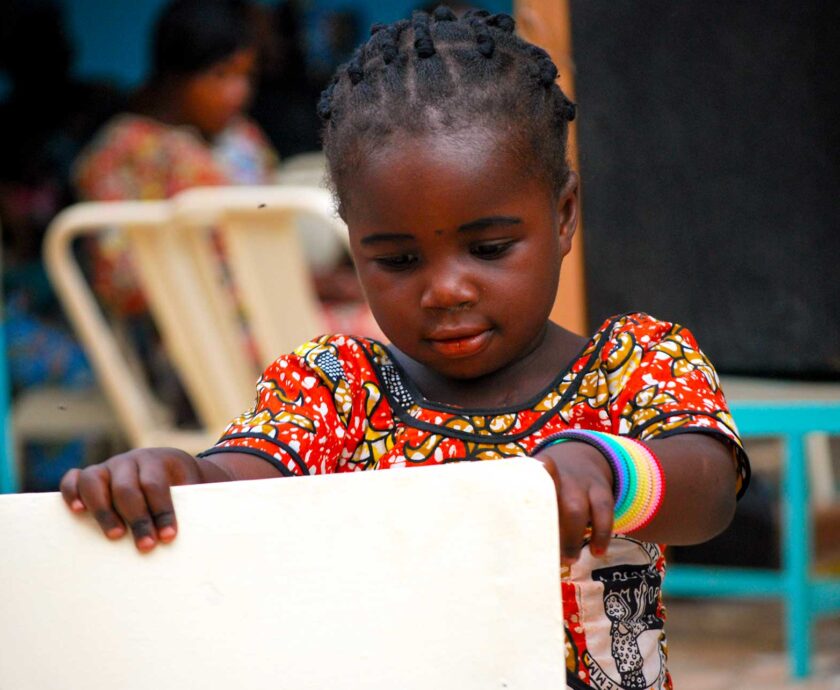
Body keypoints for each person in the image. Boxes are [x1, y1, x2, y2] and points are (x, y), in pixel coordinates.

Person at [60, 8, 750, 690]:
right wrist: (174, 477)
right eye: (396, 259)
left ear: (564, 214)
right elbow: (243, 479)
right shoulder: (337, 386)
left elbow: (710, 488)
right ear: (354, 244)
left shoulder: (633, 364)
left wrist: (603, 468)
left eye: (489, 248)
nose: (445, 289)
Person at [72, 0, 278, 316]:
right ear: (174, 77)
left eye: (246, 76)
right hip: (195, 334)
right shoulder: (123, 152)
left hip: (270, 308)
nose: (238, 92)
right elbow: (121, 282)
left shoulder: (241, 139)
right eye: (220, 75)